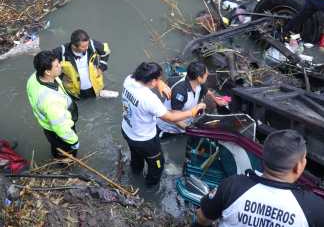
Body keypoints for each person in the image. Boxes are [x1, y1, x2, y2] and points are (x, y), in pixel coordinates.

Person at [192, 129, 324, 227]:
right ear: (299, 167)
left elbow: (202, 218)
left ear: (262, 158)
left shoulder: (232, 186)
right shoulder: (315, 207)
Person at [121, 62, 206, 187]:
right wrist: (191, 112)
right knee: (157, 165)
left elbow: (144, 79)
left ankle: (134, 176)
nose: (159, 82)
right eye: (158, 79)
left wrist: (159, 83)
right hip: (144, 140)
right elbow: (170, 117)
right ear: (151, 80)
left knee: (136, 157)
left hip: (127, 130)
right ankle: (149, 190)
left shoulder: (128, 80)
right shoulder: (148, 98)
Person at [27, 50, 79, 158]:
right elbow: (61, 128)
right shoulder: (51, 101)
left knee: (55, 147)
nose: (60, 66)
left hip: (50, 128)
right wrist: (74, 142)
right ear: (47, 72)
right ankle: (65, 168)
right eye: (56, 66)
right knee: (66, 154)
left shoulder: (34, 78)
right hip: (59, 132)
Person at [157, 61, 228, 137]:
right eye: (206, 74)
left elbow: (208, 92)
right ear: (199, 78)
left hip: (187, 117)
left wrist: (218, 101)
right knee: (172, 134)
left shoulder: (198, 83)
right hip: (170, 124)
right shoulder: (180, 92)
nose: (208, 74)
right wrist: (191, 130)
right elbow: (175, 118)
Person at [52, 29, 116, 99]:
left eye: (87, 45)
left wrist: (101, 68)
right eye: (83, 47)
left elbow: (106, 52)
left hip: (95, 86)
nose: (87, 47)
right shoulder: (61, 52)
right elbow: (48, 66)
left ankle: (100, 92)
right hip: (73, 91)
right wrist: (58, 78)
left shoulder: (92, 44)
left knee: (97, 97)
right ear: (74, 46)